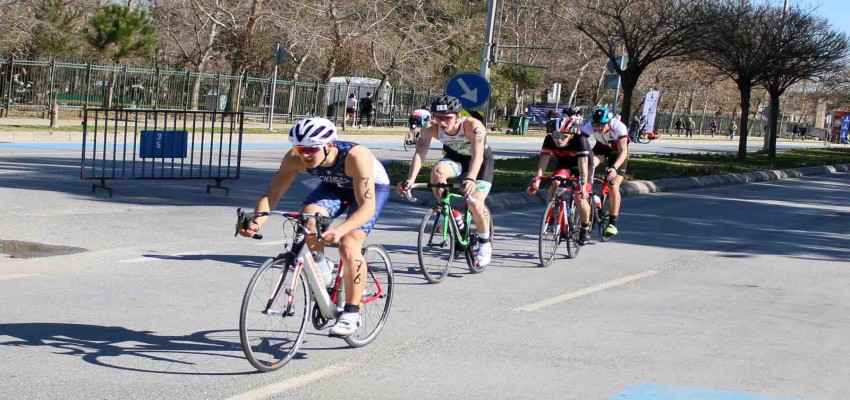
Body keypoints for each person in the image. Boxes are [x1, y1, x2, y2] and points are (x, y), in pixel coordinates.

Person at [238, 117, 391, 338]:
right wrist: (256, 221)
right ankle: (323, 267)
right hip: (334, 186)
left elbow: (367, 208)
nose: (305, 154)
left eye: (311, 149)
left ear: (329, 146)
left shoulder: (356, 156)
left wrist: (340, 230)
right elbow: (272, 195)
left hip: (371, 189)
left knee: (349, 244)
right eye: (300, 148)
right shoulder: (295, 158)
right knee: (308, 218)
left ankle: (351, 312)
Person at [397, 95, 494, 268]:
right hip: (456, 159)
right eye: (438, 117)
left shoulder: (472, 125)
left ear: (458, 116)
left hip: (480, 163)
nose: (442, 123)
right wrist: (411, 179)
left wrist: (471, 179)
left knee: (474, 201)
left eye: (447, 118)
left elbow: (478, 156)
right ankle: (448, 211)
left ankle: (485, 244)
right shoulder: (431, 127)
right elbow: (420, 152)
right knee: (438, 171)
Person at [527, 114, 593, 244]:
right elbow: (542, 164)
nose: (559, 139)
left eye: (563, 136)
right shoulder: (549, 140)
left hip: (583, 166)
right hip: (565, 165)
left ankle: (585, 228)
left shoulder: (580, 140)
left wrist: (583, 187)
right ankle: (551, 214)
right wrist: (536, 181)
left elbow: (583, 167)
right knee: (555, 182)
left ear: (571, 135)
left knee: (580, 197)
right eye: (556, 135)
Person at [582, 106, 629, 237]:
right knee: (589, 166)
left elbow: (623, 151)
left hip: (617, 153)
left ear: (609, 122)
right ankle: (591, 195)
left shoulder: (619, 127)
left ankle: (613, 223)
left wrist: (614, 168)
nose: (598, 128)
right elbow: (580, 142)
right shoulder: (589, 127)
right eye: (595, 125)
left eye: (601, 125)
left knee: (613, 185)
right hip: (601, 149)